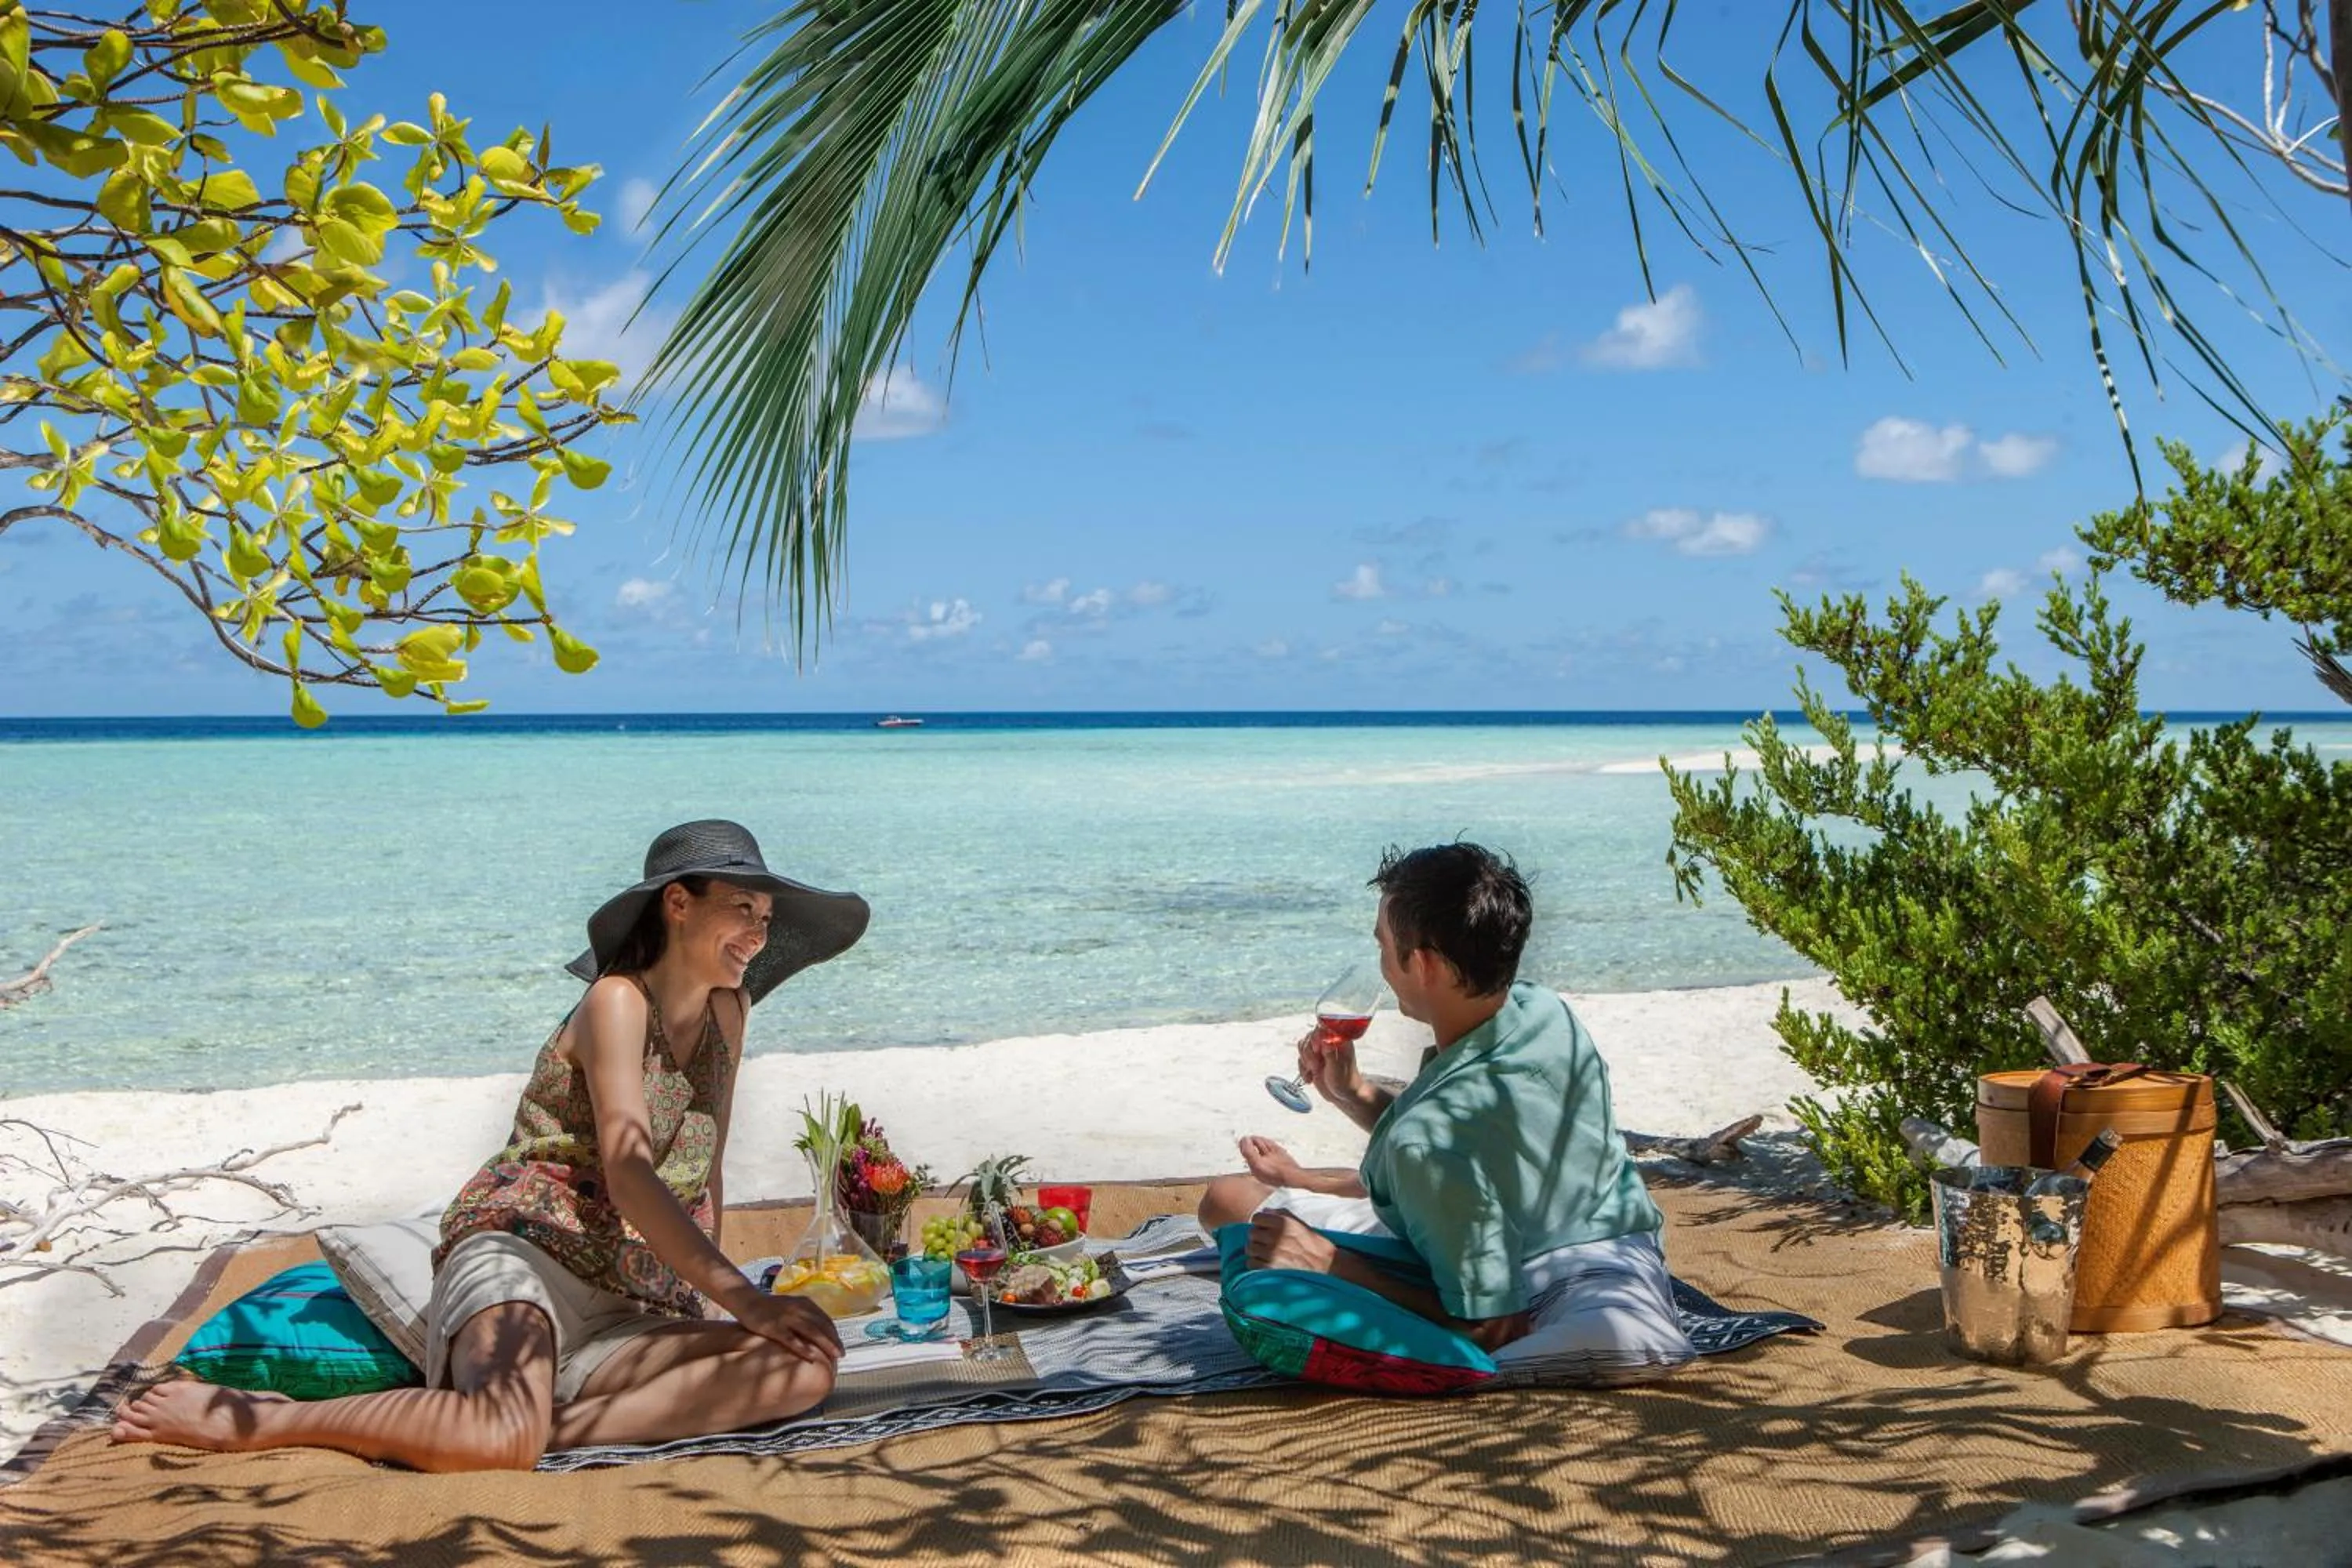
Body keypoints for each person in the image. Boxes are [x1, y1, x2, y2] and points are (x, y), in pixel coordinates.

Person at [111, 820, 870, 1470]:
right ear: (678, 903)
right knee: (501, 1437)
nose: (758, 932)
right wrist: (743, 1295)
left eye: (765, 916)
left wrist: (710, 1300)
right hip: (526, 1256)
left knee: (801, 1368)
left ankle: (541, 1426)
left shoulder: (729, 1011)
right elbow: (631, 1170)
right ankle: (264, 1419)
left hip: (628, 1302)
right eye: (742, 908)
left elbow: (704, 1167)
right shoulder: (616, 999)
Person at [1200, 841, 1693, 1381]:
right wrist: (1352, 1092)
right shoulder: (1544, 1012)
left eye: (1383, 946)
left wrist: (1331, 1264)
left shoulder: (1425, 1144)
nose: (1381, 966)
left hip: (1519, 1271)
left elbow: (1494, 1328)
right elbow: (1471, 1147)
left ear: (1423, 964)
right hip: (1586, 1226)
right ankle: (1300, 1188)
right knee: (1241, 1198)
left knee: (1235, 1215)